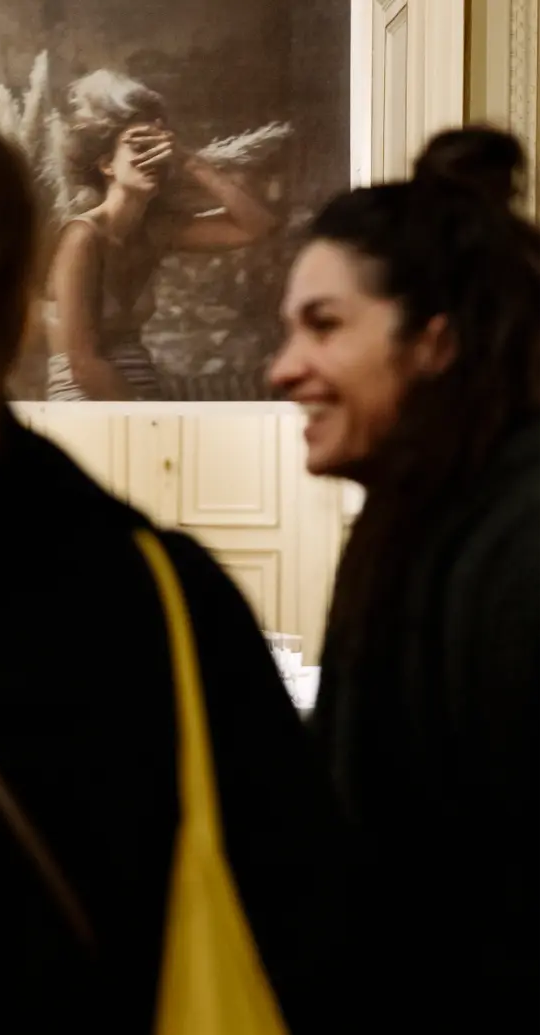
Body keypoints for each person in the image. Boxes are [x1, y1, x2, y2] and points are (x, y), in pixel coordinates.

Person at [0, 90, 345, 1029]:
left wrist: (190, 160)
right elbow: (300, 911)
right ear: (14, 308)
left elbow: (254, 223)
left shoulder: (147, 235)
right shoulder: (158, 589)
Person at [270, 126, 540, 991]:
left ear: (434, 341)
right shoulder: (414, 515)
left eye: (324, 326)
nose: (283, 370)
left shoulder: (518, 544)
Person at [45, 70, 278, 400]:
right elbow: (83, 365)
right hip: (86, 401)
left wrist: (190, 162)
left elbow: (257, 225)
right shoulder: (82, 238)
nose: (153, 158)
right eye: (140, 146)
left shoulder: (155, 231)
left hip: (142, 395)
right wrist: (148, 417)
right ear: (107, 164)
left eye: (159, 147)